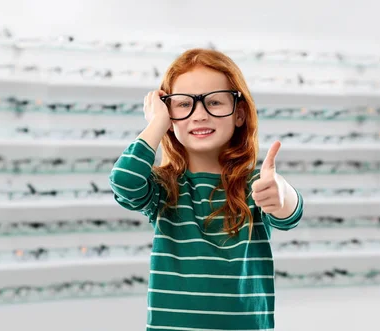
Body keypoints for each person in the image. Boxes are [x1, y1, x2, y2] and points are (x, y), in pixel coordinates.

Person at [108, 48, 304, 331]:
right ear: (168, 113)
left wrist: (281, 192)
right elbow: (124, 181)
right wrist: (157, 125)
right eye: (183, 105)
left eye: (214, 102)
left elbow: (290, 213)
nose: (199, 115)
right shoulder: (165, 187)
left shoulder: (254, 185)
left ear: (239, 114)